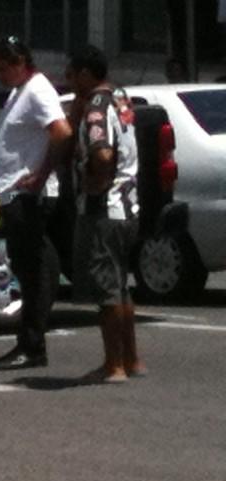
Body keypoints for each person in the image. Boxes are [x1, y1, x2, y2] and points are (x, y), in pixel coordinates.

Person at [0, 36, 73, 370]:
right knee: (32, 268)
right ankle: (29, 342)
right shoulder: (19, 91)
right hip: (12, 194)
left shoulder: (37, 90)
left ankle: (33, 346)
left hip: (27, 196)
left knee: (32, 273)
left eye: (3, 69)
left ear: (20, 62)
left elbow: (62, 132)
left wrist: (40, 174)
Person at [64, 45, 146, 383]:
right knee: (121, 285)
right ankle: (132, 360)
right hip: (129, 207)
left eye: (72, 75)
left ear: (85, 74)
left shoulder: (96, 107)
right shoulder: (120, 98)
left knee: (106, 289)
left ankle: (114, 365)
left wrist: (92, 180)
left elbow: (102, 155)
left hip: (105, 209)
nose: (69, 81)